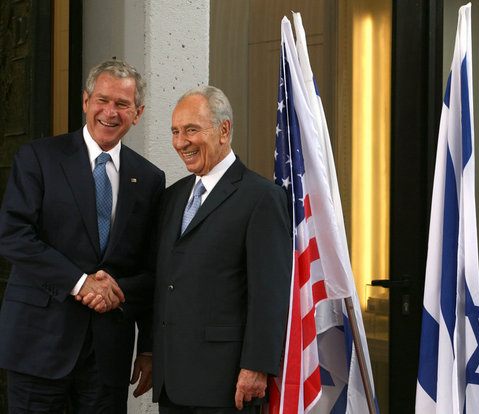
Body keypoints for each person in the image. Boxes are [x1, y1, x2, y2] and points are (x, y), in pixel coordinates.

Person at [0, 60, 165, 413]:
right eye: (102, 100)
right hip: (38, 345)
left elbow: (153, 268)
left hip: (108, 354)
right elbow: (14, 236)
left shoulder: (149, 178)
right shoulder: (39, 158)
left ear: (137, 113)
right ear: (86, 101)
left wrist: (149, 348)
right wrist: (80, 283)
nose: (110, 112)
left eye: (122, 104)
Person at [153, 86, 291, 414]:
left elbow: (270, 292)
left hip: (227, 383)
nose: (180, 142)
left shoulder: (261, 197)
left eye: (191, 130)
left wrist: (257, 366)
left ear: (224, 130)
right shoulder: (173, 197)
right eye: (175, 131)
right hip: (173, 382)